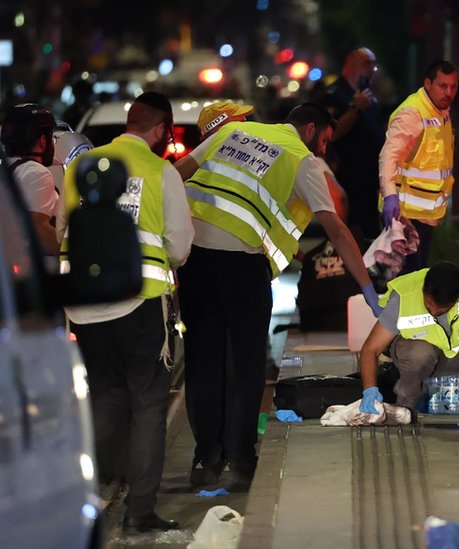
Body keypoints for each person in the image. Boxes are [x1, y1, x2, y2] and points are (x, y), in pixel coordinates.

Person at [174, 103, 381, 486]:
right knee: (246, 365)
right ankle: (239, 457)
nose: (323, 149)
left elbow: (175, 177)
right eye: (323, 140)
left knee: (203, 361)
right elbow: (335, 228)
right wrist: (367, 288)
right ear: (310, 129)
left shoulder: (229, 133)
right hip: (242, 266)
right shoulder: (302, 160)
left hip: (195, 261)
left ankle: (205, 459)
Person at [56, 92, 193, 532]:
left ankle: (88, 502)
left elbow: (61, 227)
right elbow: (179, 247)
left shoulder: (79, 166)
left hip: (82, 305)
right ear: (161, 129)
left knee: (103, 399)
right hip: (138, 303)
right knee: (149, 405)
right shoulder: (161, 171)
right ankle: (138, 513)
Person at [357, 262, 459, 426]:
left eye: (443, 308)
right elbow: (371, 349)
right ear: (424, 289)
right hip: (417, 357)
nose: (435, 312)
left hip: (457, 354)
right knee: (419, 354)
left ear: (458, 297)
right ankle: (407, 402)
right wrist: (369, 389)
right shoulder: (405, 293)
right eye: (430, 306)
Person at [378, 60, 458, 274]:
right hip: (403, 216)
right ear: (428, 83)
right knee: (406, 282)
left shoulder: (440, 112)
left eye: (453, 86)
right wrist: (389, 197)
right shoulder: (413, 113)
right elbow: (388, 156)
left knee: (415, 279)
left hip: (424, 216)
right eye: (443, 85)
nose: (449, 92)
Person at [325, 47, 385, 239]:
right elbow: (332, 134)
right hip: (347, 180)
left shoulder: (369, 97)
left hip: (370, 182)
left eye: (373, 65)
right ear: (350, 61)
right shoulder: (335, 94)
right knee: (349, 234)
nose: (371, 69)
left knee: (371, 234)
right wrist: (355, 109)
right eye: (366, 63)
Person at [1, 103, 59, 255]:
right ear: (42, 141)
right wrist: (77, 252)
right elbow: (38, 230)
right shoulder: (37, 173)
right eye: (51, 137)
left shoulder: (6, 170)